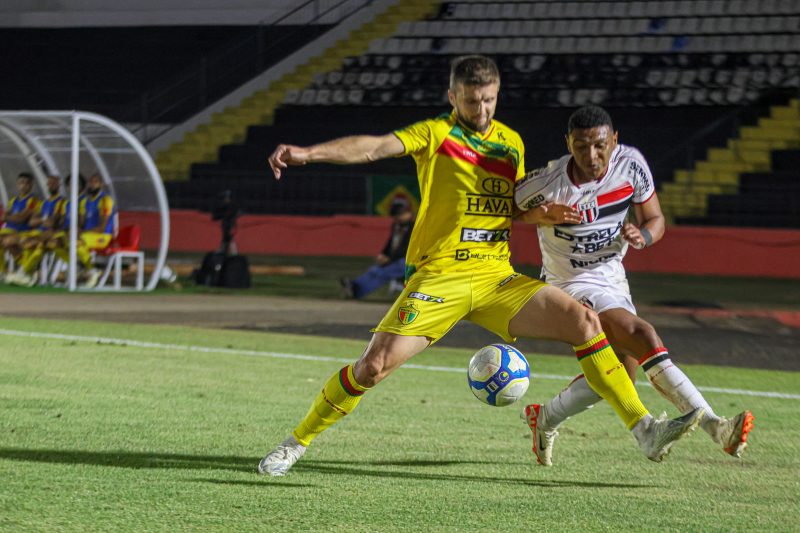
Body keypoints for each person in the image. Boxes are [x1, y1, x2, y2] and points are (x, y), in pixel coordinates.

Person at [258, 55, 703, 477]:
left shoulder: (511, 144)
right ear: (453, 97)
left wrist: (539, 216)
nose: (482, 108)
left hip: (496, 277)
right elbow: (375, 147)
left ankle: (645, 430)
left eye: (489, 99)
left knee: (586, 321)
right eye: (472, 100)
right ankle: (296, 442)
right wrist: (308, 153)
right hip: (441, 276)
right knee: (372, 367)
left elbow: (510, 207)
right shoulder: (435, 134)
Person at [515, 105, 754, 466]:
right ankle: (716, 427)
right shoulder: (549, 182)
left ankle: (544, 418)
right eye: (580, 146)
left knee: (619, 373)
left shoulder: (631, 165)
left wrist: (642, 235)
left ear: (614, 140)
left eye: (599, 145)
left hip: (613, 279)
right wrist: (537, 215)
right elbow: (497, 207)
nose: (590, 155)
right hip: (569, 284)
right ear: (568, 143)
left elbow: (655, 218)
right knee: (643, 335)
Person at [340, 196, 415, 299]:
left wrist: (389, 259)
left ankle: (357, 289)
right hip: (395, 259)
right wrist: (383, 255)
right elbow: (390, 243)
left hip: (408, 260)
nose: (400, 217)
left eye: (402, 214)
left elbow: (406, 248)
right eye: (397, 215)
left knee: (383, 272)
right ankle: (355, 287)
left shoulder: (414, 227)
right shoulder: (396, 226)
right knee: (375, 269)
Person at [52, 172, 116, 288]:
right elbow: (80, 224)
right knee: (56, 243)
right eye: (91, 182)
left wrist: (81, 232)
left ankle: (92, 270)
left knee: (75, 242)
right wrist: (72, 230)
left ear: (101, 184)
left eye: (95, 182)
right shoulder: (85, 202)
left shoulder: (105, 200)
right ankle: (77, 267)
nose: (92, 185)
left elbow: (102, 227)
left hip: (102, 236)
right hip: (87, 235)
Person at [7, 174, 66, 287]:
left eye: (53, 183)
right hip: (38, 233)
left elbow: (52, 222)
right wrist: (43, 220)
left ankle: (23, 273)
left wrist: (42, 220)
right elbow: (31, 222)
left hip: (49, 234)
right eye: (49, 183)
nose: (50, 185)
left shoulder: (61, 202)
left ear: (59, 185)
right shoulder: (43, 203)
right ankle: (26, 273)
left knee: (34, 246)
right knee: (20, 244)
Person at [0, 172, 39, 281]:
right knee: (5, 241)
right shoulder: (13, 200)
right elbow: (4, 216)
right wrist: (12, 217)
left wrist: (11, 217)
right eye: (21, 183)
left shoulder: (33, 200)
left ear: (31, 185)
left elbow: (21, 218)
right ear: (18, 185)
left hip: (22, 232)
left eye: (26, 183)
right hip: (9, 231)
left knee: (6, 241)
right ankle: (5, 271)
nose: (23, 185)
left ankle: (24, 270)